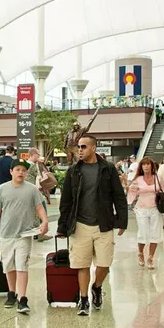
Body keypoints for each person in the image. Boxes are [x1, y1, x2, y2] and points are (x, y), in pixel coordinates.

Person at [57, 134, 128, 317]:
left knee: (104, 264)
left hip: (103, 224)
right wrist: (62, 226)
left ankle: (96, 287)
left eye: (83, 147)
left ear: (94, 148)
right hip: (80, 224)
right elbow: (66, 200)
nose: (80, 150)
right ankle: (84, 299)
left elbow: (118, 195)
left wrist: (122, 219)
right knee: (82, 265)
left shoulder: (108, 169)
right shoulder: (73, 171)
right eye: (78, 147)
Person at [0, 159, 48, 315]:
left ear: (26, 173)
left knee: (22, 265)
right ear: (11, 172)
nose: (21, 172)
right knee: (8, 266)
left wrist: (45, 221)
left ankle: (22, 299)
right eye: (18, 169)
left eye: (23, 170)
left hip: (24, 234)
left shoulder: (32, 189)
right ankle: (11, 293)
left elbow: (39, 207)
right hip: (6, 234)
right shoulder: (2, 189)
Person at [127, 158, 163, 269]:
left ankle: (151, 257)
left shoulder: (157, 177)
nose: (146, 167)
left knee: (155, 233)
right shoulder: (138, 179)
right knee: (143, 232)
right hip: (141, 209)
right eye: (144, 165)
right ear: (141, 167)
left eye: (148, 164)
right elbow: (130, 190)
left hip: (155, 208)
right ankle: (140, 253)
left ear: (152, 166)